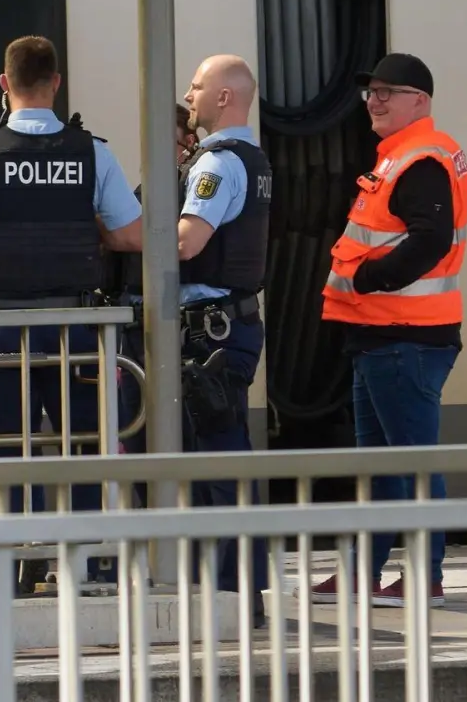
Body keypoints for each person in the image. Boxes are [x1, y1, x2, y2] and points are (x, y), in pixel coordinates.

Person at [0, 35, 142, 592]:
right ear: (56, 83)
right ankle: (88, 564)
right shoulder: (93, 152)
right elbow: (131, 234)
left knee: (2, 444)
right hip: (77, 328)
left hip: (0, 328)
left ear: (5, 84)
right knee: (84, 439)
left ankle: (14, 565)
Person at [110, 56, 272, 617]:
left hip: (210, 337)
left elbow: (185, 243)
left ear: (224, 97)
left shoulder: (216, 164)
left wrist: (127, 234)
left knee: (217, 461)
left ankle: (230, 592)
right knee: (212, 463)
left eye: (198, 87)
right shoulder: (249, 159)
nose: (190, 94)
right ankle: (225, 587)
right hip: (224, 329)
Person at [308, 52, 467, 609]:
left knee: (412, 461)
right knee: (380, 464)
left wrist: (370, 278)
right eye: (370, 91)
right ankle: (364, 572)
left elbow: (431, 239)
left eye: (387, 91)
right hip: (382, 336)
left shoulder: (420, 159)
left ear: (418, 101)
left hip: (406, 336)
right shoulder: (402, 155)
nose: (374, 100)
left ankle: (425, 576)